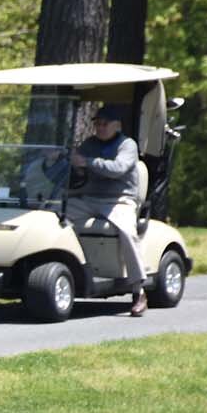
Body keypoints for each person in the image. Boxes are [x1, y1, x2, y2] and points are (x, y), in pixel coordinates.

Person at [68, 103, 149, 316]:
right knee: (56, 217)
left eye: (105, 124)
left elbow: (118, 169)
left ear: (117, 126)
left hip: (119, 199)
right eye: (98, 124)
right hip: (90, 197)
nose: (100, 128)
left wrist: (86, 162)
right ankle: (68, 271)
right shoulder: (90, 144)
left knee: (127, 232)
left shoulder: (127, 145)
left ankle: (138, 290)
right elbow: (76, 166)